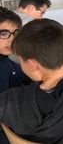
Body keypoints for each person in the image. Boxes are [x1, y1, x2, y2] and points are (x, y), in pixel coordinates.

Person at [0, 8, 32, 144]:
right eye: (3, 34)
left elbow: (24, 76)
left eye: (15, 33)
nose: (12, 39)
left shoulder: (7, 60)